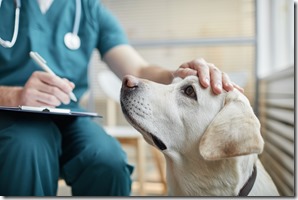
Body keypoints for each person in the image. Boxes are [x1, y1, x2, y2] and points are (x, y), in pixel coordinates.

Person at [0, 0, 242, 196]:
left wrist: (175, 74)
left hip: (69, 115)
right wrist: (14, 95)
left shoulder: (88, 9)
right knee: (26, 149)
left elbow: (137, 69)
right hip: (9, 117)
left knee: (109, 160)